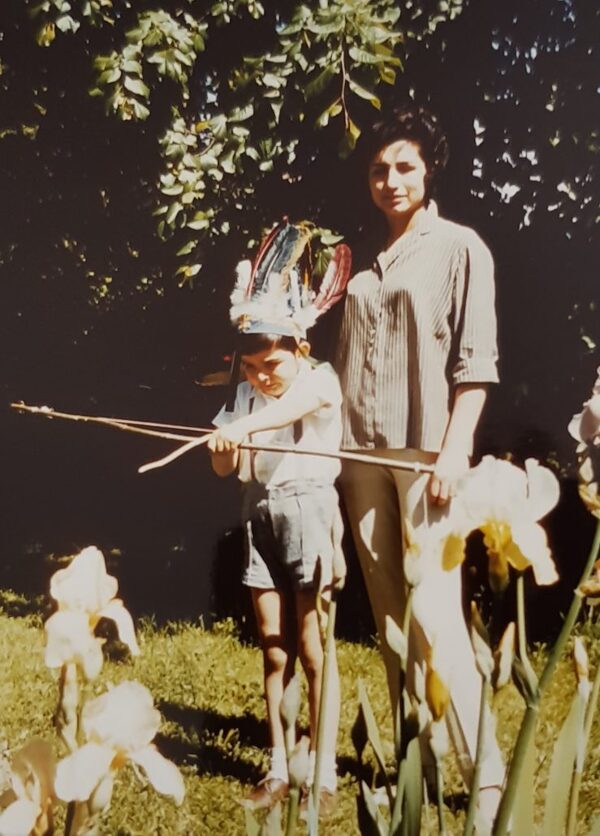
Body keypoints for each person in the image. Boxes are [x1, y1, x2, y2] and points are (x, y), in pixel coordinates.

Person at [334, 105, 505, 829]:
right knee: (389, 617)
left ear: (428, 169)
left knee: (436, 610)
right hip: (357, 453)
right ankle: (418, 761)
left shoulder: (460, 247)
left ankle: (488, 771)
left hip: (428, 452)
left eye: (404, 166)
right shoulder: (363, 263)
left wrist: (456, 449)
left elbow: (477, 363)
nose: (390, 179)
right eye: (379, 168)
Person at [208, 225, 350, 815]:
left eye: (272, 362)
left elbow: (299, 405)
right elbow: (226, 467)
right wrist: (224, 447)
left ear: (300, 350)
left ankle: (325, 769)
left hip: (311, 510)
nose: (262, 376)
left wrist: (245, 427)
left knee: (315, 647)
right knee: (274, 649)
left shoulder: (318, 381)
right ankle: (278, 763)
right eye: (251, 366)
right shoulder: (243, 398)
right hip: (258, 516)